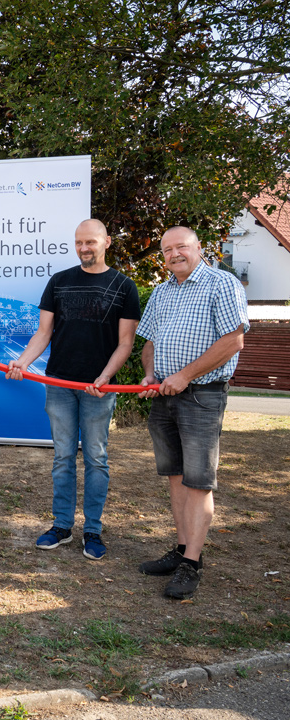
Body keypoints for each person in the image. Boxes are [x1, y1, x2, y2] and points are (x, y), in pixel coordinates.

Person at [5, 219, 141, 560]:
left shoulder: (124, 286)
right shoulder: (59, 281)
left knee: (96, 458)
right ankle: (62, 526)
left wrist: (106, 377)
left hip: (98, 388)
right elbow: (43, 333)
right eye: (79, 242)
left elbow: (126, 343)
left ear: (106, 242)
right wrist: (22, 361)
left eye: (91, 242)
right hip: (60, 384)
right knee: (63, 457)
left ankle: (92, 530)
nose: (84, 248)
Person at [136, 226, 248, 599]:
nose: (174, 254)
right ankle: (182, 549)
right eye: (167, 250)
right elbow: (149, 342)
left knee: (198, 481)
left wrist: (184, 376)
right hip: (164, 395)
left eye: (181, 247)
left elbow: (233, 340)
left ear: (199, 248)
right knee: (175, 476)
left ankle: (193, 564)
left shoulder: (222, 284)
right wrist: (151, 374)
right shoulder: (162, 292)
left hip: (202, 396)